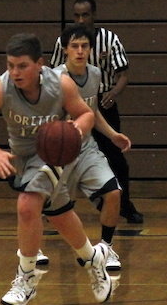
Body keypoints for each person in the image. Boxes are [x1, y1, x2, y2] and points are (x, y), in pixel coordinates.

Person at [0, 33, 112, 305]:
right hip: (24, 159)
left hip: (56, 154)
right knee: (59, 214)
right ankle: (93, 258)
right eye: (10, 66)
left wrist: (75, 130)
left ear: (39, 64)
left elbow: (86, 114)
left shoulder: (60, 84)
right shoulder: (2, 88)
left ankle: (26, 277)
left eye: (22, 66)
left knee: (27, 205)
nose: (15, 72)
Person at [40, 24, 131, 271]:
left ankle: (106, 249)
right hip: (59, 151)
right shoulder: (53, 79)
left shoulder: (95, 74)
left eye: (85, 46)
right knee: (40, 202)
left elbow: (92, 111)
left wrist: (112, 135)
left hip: (86, 148)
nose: (80, 51)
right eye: (75, 46)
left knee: (114, 193)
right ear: (65, 49)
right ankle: (32, 250)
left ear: (91, 49)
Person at [50, 0, 143, 224]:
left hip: (99, 101)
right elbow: (51, 78)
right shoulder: (61, 55)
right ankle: (54, 209)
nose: (81, 19)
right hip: (65, 111)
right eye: (77, 15)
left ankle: (122, 206)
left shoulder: (108, 42)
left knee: (115, 159)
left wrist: (113, 95)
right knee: (60, 164)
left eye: (86, 15)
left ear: (94, 15)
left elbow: (123, 74)